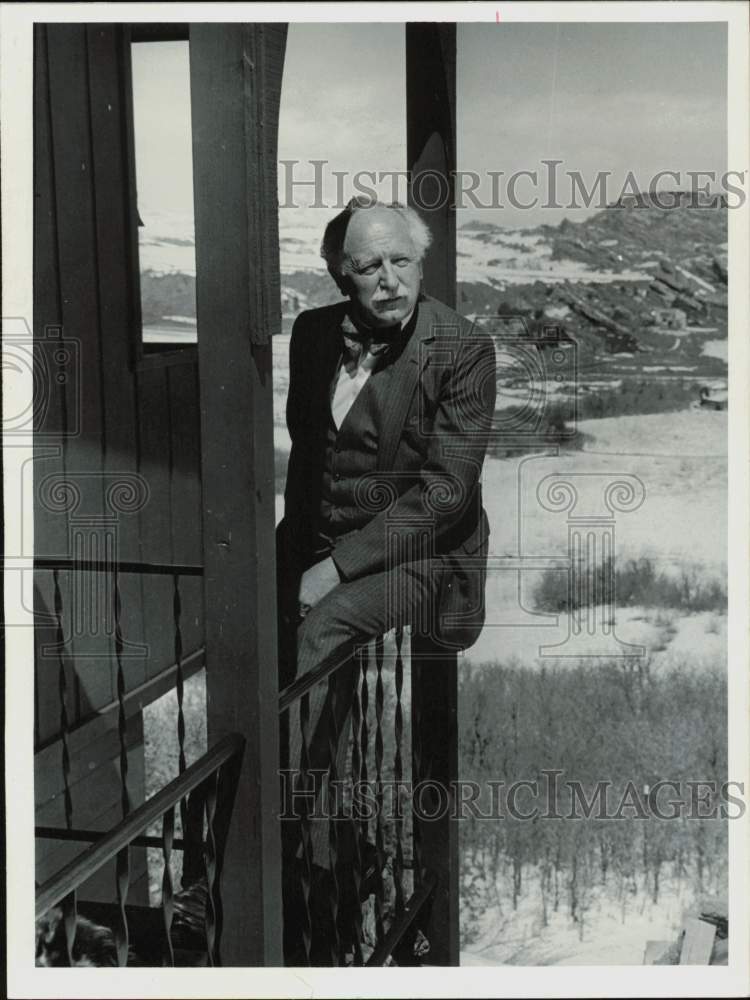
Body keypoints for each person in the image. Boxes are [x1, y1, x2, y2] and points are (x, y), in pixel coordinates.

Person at [276, 196, 496, 959]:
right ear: (343, 274)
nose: (390, 280)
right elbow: (313, 457)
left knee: (325, 625)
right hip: (326, 543)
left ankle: (302, 856)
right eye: (370, 266)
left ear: (420, 262)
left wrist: (333, 568)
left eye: (402, 261)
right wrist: (290, 557)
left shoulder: (462, 348)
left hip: (430, 559)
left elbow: (446, 490)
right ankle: (319, 843)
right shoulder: (311, 335)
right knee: (257, 639)